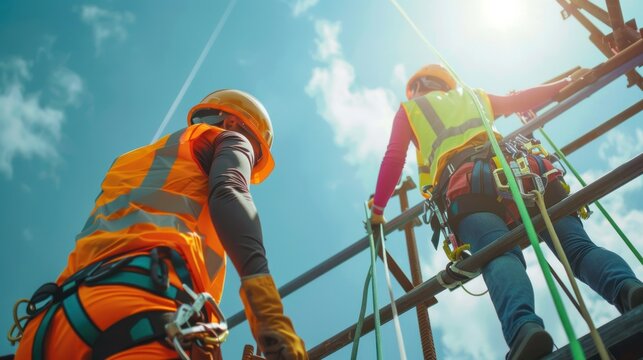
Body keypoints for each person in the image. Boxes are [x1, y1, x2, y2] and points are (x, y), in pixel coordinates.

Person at [370, 64, 643, 359]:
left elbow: (394, 157)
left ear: (416, 89)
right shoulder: (472, 96)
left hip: (467, 183)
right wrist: (565, 82)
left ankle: (525, 330)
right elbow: (521, 100)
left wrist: (377, 211)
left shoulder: (411, 109)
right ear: (445, 83)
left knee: (500, 255)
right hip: (521, 168)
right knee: (576, 247)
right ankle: (628, 289)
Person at [13, 89, 308, 360]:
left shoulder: (132, 162)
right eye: (254, 152)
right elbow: (229, 190)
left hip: (49, 325)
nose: (250, 158)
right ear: (232, 122)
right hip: (140, 313)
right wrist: (267, 311)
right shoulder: (229, 138)